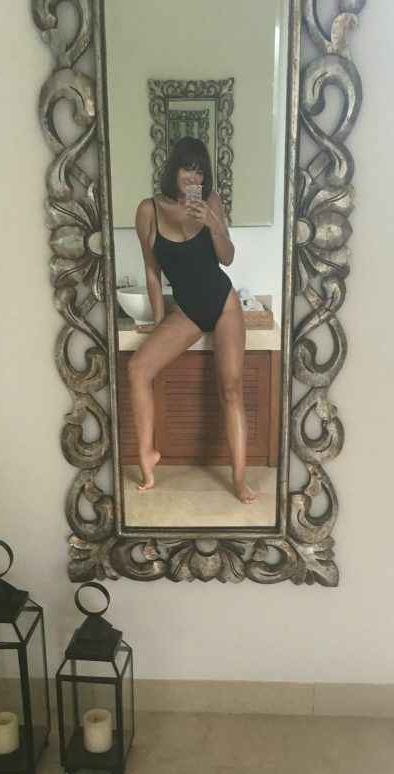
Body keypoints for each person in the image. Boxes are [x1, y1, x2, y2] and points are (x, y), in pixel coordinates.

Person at [127, 137, 256, 503]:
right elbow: (152, 271)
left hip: (223, 303)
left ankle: (240, 479)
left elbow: (227, 258)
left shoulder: (211, 202)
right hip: (187, 311)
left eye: (199, 171)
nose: (193, 177)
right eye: (187, 168)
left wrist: (214, 225)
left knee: (230, 388)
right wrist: (158, 321)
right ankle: (147, 455)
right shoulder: (149, 210)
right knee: (137, 369)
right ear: (174, 170)